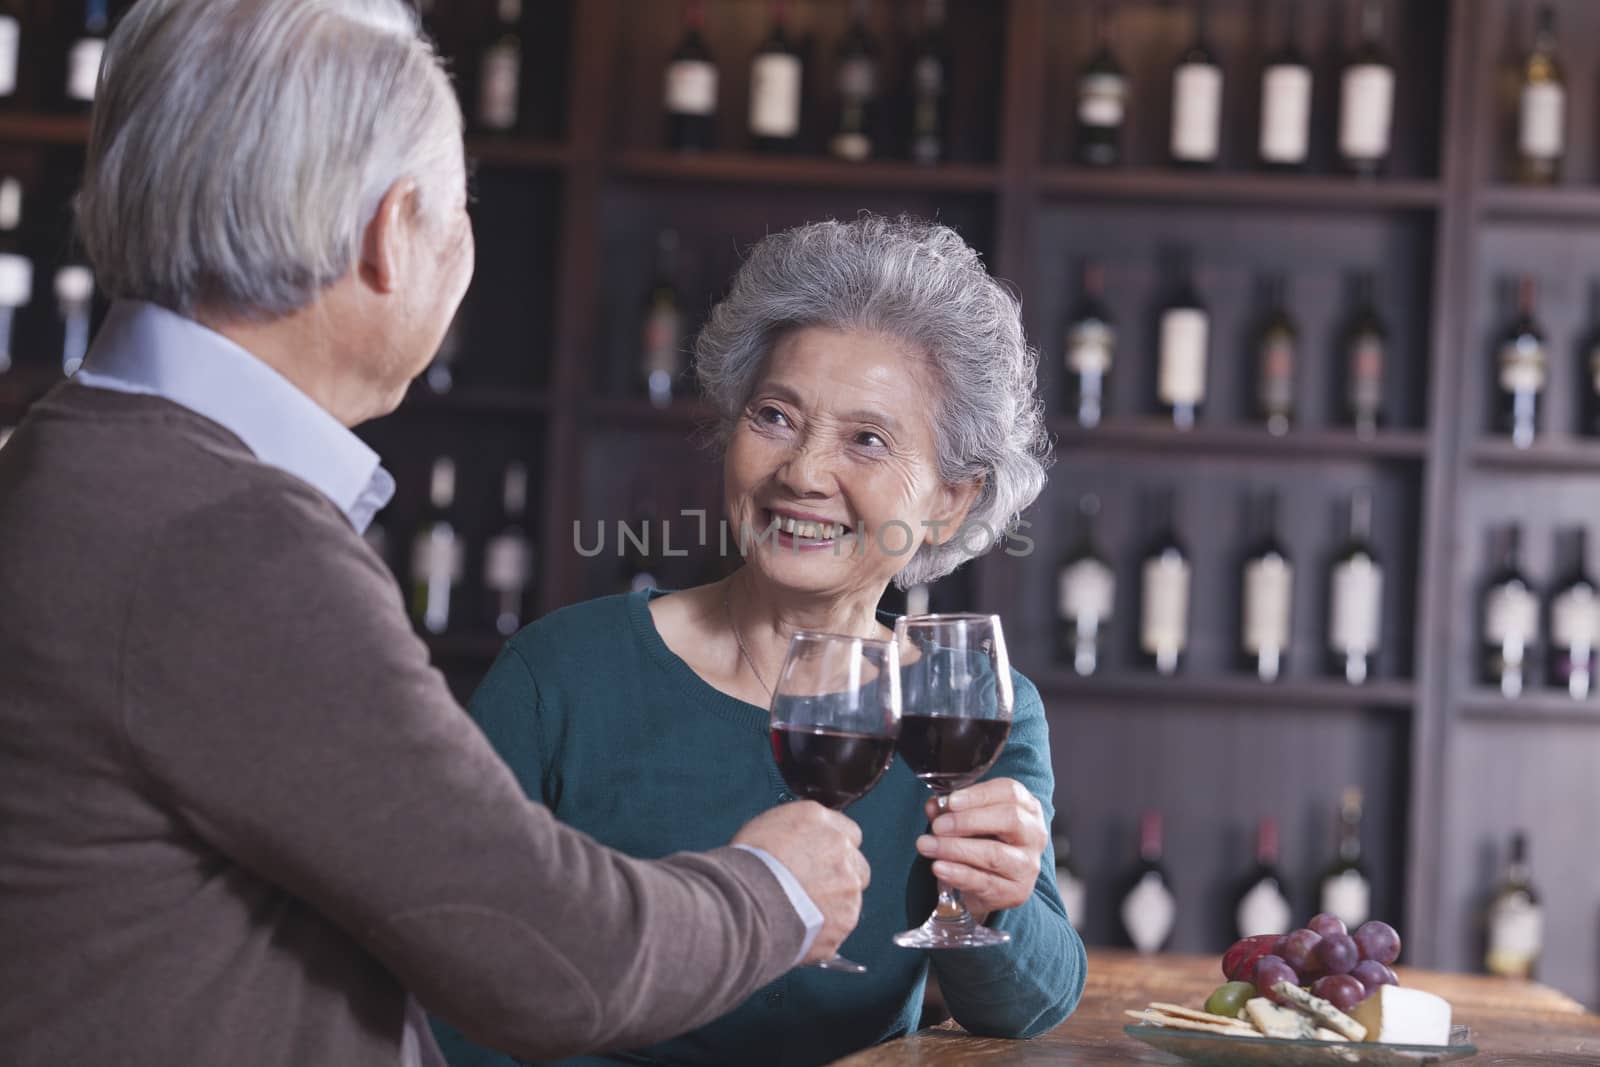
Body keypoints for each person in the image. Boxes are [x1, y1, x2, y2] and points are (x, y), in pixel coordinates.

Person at [0, 3, 873, 1065]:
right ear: (390, 231)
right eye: (456, 206)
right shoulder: (225, 540)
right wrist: (774, 888)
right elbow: (551, 957)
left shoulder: (64, 455)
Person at [433, 215, 1088, 1067]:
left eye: (868, 439)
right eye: (776, 416)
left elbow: (1028, 1006)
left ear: (950, 501)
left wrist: (996, 904)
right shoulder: (560, 674)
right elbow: (448, 979)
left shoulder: (961, 704)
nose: (805, 472)